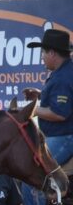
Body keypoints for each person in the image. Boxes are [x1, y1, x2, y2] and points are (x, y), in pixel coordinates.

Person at [25, 28, 73, 166]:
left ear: (52, 53)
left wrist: (32, 109)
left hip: (64, 137)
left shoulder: (63, 77)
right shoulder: (64, 71)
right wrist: (41, 95)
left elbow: (59, 114)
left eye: (43, 52)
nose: (42, 57)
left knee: (33, 170)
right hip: (61, 135)